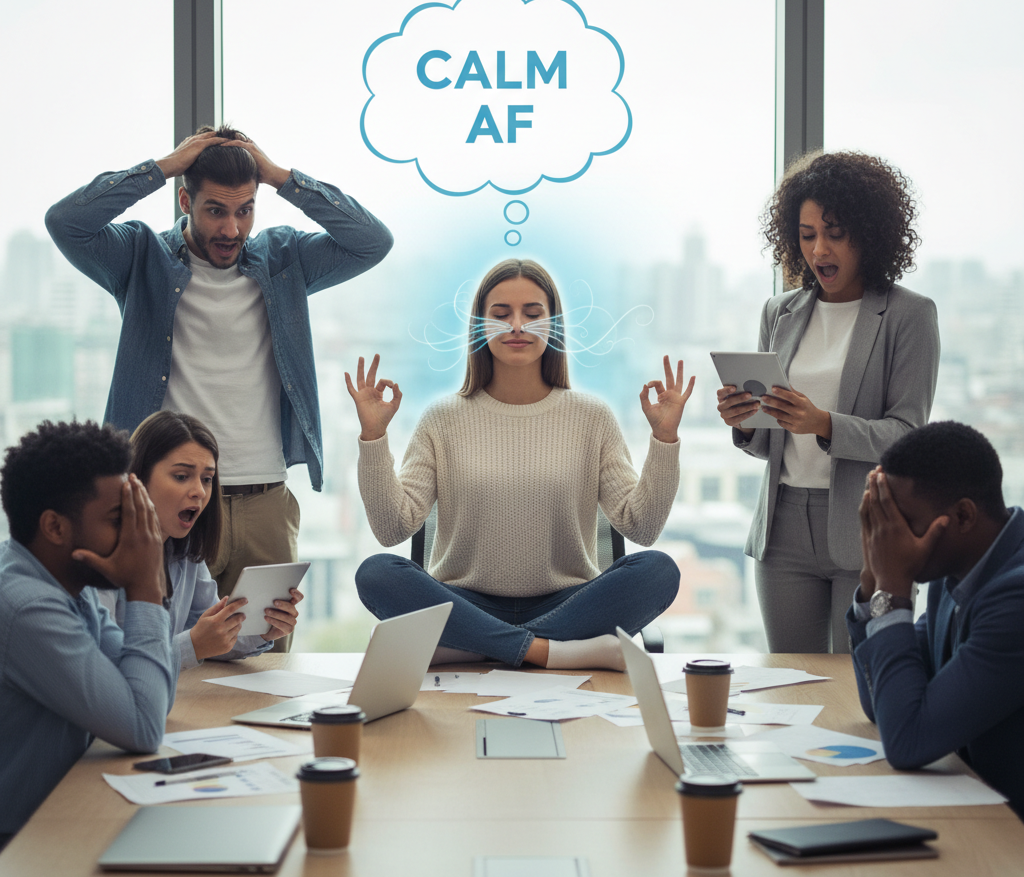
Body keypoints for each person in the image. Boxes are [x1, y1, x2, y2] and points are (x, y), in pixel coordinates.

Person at [44, 126, 394, 617]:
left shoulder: (283, 259)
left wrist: (278, 177)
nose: (231, 229)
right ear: (185, 199)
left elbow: (371, 242)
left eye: (244, 210)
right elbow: (67, 222)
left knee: (265, 662)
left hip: (265, 498)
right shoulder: (141, 258)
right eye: (216, 210)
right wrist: (163, 166)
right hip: (170, 501)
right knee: (162, 655)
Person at [347, 258, 692, 672]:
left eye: (532, 314)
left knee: (659, 570)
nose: (516, 326)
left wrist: (664, 439)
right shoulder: (442, 418)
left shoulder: (592, 416)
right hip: (463, 602)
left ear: (553, 325)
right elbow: (391, 530)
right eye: (500, 315)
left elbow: (642, 527)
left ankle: (476, 648)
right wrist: (373, 437)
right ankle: (547, 653)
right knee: (376, 573)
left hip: (569, 603)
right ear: (479, 325)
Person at [717, 151, 940, 653]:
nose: (819, 248)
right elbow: (770, 441)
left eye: (835, 231)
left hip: (867, 523)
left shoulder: (910, 315)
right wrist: (748, 425)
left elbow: (908, 435)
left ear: (869, 233)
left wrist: (824, 424)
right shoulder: (780, 312)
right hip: (783, 528)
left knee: (857, 685)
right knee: (792, 682)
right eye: (807, 233)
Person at [0, 421, 173, 843]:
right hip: (21, 847)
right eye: (121, 519)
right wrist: (147, 587)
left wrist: (144, 588)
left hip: (59, 817)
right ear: (55, 528)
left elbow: (150, 693)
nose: (140, 535)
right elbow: (143, 727)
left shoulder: (66, 584)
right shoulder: (26, 606)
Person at [851, 421, 1024, 819]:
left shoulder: (1014, 600)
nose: (888, 538)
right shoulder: (952, 574)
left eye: (902, 523)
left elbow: (907, 741)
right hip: (981, 814)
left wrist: (892, 588)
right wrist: (872, 581)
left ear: (963, 515)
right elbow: (883, 704)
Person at [97, 411, 304, 673]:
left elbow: (211, 637)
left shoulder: (184, 551)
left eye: (207, 479)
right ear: (138, 477)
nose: (199, 491)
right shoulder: (101, 553)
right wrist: (192, 646)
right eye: (182, 476)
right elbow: (105, 664)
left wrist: (263, 631)